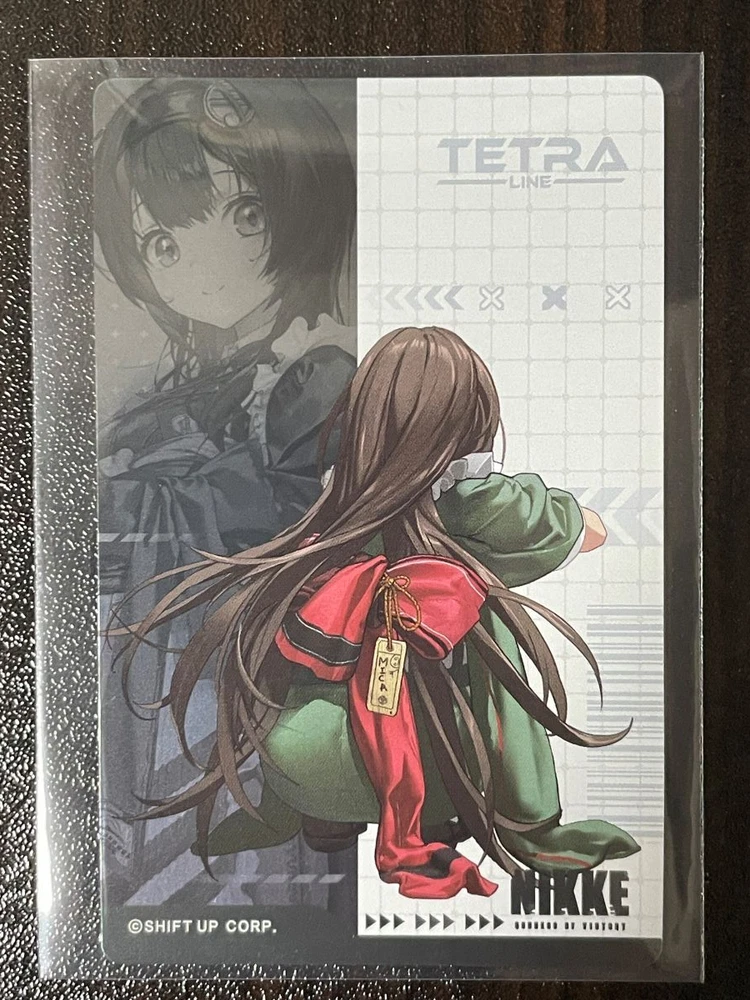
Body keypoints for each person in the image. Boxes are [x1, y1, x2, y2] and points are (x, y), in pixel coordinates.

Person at [113, 326, 640, 901]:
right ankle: (469, 822)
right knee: (478, 684)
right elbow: (587, 531)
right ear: (471, 416)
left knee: (312, 701)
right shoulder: (475, 501)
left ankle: (324, 821)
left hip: (303, 763)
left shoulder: (338, 500)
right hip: (428, 755)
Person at [95, 77, 356, 903]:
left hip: (253, 648)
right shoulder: (170, 390)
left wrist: (165, 494)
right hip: (160, 643)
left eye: (245, 214)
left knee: (248, 831)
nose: (201, 263)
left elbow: (301, 522)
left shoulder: (316, 372)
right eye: (163, 244)